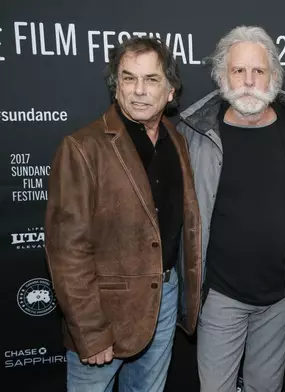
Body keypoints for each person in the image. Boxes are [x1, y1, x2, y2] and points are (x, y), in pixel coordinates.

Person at [176, 25, 285, 392]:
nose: (248, 81)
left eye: (258, 71)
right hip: (220, 296)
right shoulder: (193, 133)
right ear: (221, 77)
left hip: (281, 297)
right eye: (238, 71)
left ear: (274, 77)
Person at [44, 37, 202, 392]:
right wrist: (90, 330)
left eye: (151, 80)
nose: (139, 91)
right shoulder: (83, 148)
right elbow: (67, 250)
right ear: (116, 88)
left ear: (171, 91)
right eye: (129, 79)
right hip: (105, 314)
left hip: (164, 299)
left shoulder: (176, 140)